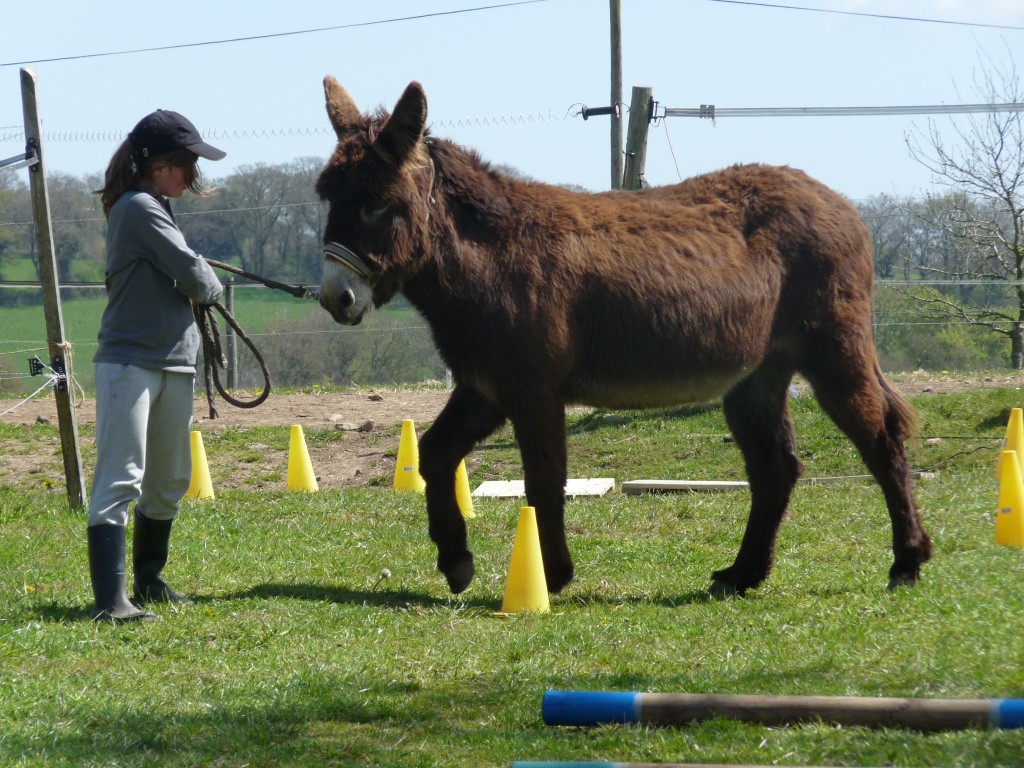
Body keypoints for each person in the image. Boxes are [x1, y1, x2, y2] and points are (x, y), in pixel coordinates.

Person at [88, 109, 226, 622]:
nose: (193, 175)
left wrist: (197, 276)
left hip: (173, 361)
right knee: (121, 477)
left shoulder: (157, 207)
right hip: (130, 361)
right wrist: (207, 280)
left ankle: (148, 581)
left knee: (168, 479)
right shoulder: (139, 206)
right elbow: (194, 275)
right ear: (159, 165)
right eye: (187, 164)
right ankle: (111, 600)